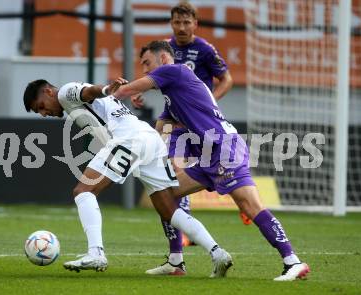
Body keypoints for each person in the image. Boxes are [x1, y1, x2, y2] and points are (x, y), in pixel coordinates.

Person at [111, 40, 310, 281]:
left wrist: (108, 93)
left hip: (224, 147)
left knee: (250, 206)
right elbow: (162, 126)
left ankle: (293, 262)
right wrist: (152, 150)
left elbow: (124, 91)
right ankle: (176, 260)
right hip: (207, 155)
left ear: (163, 58)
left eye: (146, 63)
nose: (144, 69)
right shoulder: (173, 95)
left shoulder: (174, 70)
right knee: (166, 193)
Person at [22, 78, 233, 277]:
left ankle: (96, 253)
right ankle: (217, 253)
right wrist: (108, 92)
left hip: (128, 139)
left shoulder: (65, 93)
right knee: (169, 208)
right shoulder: (69, 103)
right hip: (149, 138)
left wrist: (106, 89)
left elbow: (89, 92)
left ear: (49, 91)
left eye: (40, 106)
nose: (43, 113)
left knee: (83, 191)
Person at [131, 2, 241, 276]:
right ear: (171, 24)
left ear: (195, 24)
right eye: (176, 23)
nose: (181, 28)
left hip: (202, 125)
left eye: (186, 23)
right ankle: (177, 255)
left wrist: (208, 104)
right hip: (175, 122)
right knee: (167, 180)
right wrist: (140, 93)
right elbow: (156, 80)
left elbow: (226, 78)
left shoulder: (204, 49)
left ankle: (242, 205)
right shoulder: (164, 49)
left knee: (177, 182)